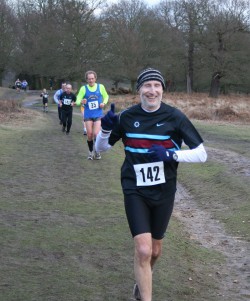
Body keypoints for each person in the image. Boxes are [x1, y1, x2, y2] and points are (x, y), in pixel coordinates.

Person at [95, 68, 207, 301]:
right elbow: (99, 149)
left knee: (155, 251)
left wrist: (172, 156)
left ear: (162, 90)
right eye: (147, 86)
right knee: (143, 249)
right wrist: (105, 130)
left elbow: (201, 154)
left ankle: (142, 278)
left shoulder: (175, 117)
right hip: (134, 188)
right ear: (139, 90)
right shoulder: (126, 117)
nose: (152, 90)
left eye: (157, 86)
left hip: (164, 191)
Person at [76, 70, 109, 160]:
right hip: (88, 114)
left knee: (96, 134)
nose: (91, 80)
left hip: (98, 113)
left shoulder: (100, 87)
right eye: (89, 79)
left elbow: (106, 96)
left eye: (92, 78)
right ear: (86, 80)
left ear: (95, 79)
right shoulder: (83, 89)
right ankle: (91, 152)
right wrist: (81, 101)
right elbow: (78, 100)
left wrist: (104, 103)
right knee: (89, 134)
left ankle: (97, 151)